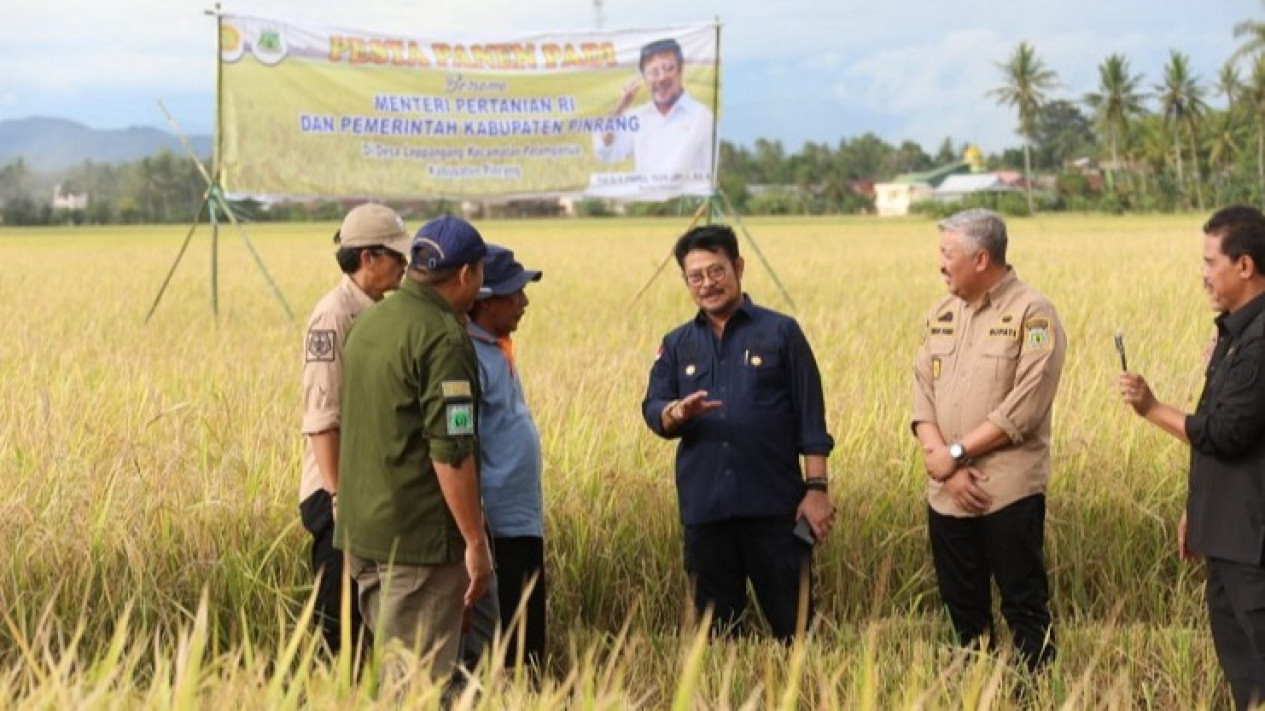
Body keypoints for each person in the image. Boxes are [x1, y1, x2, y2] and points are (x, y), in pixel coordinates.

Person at [641, 224, 835, 643]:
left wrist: (816, 489)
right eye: (696, 276)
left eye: (716, 271)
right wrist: (676, 412)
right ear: (686, 281)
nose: (707, 284)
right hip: (706, 512)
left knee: (797, 629)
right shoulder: (676, 345)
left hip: (776, 510)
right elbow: (653, 408)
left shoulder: (781, 332)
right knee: (718, 635)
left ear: (738, 267)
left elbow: (811, 419)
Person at [334, 215, 493, 687]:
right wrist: (474, 542)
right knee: (416, 689)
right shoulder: (443, 336)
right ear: (467, 274)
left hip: (364, 536)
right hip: (418, 546)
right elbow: (451, 452)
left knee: (395, 676)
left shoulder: (372, 321)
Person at [1119, 206, 1265, 710]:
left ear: (1244, 265)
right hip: (1226, 531)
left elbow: (1226, 433)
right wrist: (1195, 510)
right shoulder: (1234, 333)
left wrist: (1151, 408)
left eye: (1210, 262)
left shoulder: (1261, 341)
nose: (1203, 274)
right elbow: (1217, 437)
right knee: (1241, 674)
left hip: (1254, 542)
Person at [910, 208, 1066, 672]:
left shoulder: (1032, 313)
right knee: (961, 608)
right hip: (947, 491)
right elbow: (921, 389)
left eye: (947, 254)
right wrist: (945, 463)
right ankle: (974, 689)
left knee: (1023, 606)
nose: (941, 264)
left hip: (1006, 490)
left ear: (981, 259)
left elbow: (1027, 403)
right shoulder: (942, 313)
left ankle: (1032, 695)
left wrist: (957, 454)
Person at [299, 202, 410, 656]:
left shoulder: (379, 310)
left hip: (371, 494)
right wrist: (340, 499)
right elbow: (321, 417)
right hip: (339, 497)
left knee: (373, 625)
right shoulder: (334, 316)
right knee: (338, 627)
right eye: (396, 256)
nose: (405, 265)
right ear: (368, 259)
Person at [463, 245, 547, 674]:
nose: (524, 301)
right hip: (495, 524)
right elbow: (460, 447)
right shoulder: (466, 356)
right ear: (484, 298)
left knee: (529, 636)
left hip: (521, 518)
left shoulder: (497, 346)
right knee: (505, 643)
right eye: (515, 292)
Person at [593, 37, 715, 180]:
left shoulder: (701, 116)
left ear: (680, 70)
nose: (662, 78)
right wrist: (620, 107)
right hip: (647, 200)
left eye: (668, 69)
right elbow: (605, 152)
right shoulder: (638, 118)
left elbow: (712, 170)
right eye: (653, 72)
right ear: (644, 78)